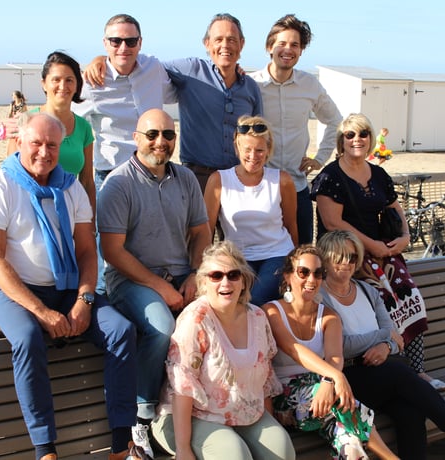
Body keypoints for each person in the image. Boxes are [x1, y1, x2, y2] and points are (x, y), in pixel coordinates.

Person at [0, 112, 142, 460]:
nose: (44, 152)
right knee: (27, 338)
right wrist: (41, 311)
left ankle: (121, 438)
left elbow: (86, 252)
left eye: (52, 145)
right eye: (36, 143)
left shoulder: (70, 186)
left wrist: (84, 300)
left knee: (122, 330)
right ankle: (44, 447)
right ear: (19, 141)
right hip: (15, 292)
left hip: (67, 289)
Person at [316, 230, 445, 459]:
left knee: (411, 410)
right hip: (348, 378)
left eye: (351, 256)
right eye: (339, 257)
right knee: (400, 372)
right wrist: (382, 336)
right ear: (326, 259)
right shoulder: (321, 297)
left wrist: (386, 347)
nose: (346, 263)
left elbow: (397, 340)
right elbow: (342, 346)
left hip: (383, 373)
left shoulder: (367, 291)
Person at [97, 108, 212, 457]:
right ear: (136, 138)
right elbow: (112, 252)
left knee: (221, 313)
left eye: (168, 134)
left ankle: (206, 405)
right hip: (130, 278)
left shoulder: (187, 179)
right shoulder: (118, 183)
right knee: (162, 327)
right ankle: (141, 417)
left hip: (180, 273)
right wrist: (159, 287)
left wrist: (195, 273)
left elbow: (201, 232)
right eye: (152, 134)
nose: (161, 141)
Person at [310, 113, 445, 391]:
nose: (356, 140)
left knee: (411, 299)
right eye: (350, 135)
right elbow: (333, 222)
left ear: (371, 139)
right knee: (383, 301)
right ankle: (390, 366)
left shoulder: (379, 174)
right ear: (341, 140)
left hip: (384, 251)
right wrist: (371, 248)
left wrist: (405, 238)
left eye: (362, 134)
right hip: (347, 255)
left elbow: (395, 208)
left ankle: (416, 370)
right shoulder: (330, 178)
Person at [84, 13, 264, 191]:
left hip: (238, 179)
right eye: (218, 39)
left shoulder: (250, 87)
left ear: (242, 44)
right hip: (194, 178)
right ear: (207, 44)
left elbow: (260, 136)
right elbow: (128, 61)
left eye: (232, 40)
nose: (225, 45)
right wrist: (101, 59)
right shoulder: (190, 70)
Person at [150, 241, 296, 460]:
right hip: (190, 416)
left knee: (282, 450)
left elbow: (264, 380)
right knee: (235, 455)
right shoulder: (196, 319)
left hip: (242, 411)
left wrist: (268, 429)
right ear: (203, 282)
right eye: (216, 276)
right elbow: (183, 388)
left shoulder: (257, 317)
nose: (225, 282)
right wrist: (183, 450)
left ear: (244, 281)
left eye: (233, 275)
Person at [263, 245, 399, 460]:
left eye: (318, 273)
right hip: (285, 397)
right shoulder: (271, 311)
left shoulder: (329, 316)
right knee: (344, 401)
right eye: (303, 272)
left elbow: (335, 357)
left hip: (323, 400)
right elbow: (293, 349)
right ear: (288, 276)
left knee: (349, 441)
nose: (311, 279)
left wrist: (328, 381)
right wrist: (336, 377)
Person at [74, 13, 176, 294]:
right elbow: (64, 116)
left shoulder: (154, 68)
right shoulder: (93, 81)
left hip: (154, 171)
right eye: (115, 41)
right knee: (108, 249)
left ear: (140, 42)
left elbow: (184, 85)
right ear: (105, 43)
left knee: (147, 244)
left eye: (130, 40)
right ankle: (106, 305)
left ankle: (143, 299)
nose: (123, 47)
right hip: (111, 174)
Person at [250, 14, 342, 244]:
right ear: (269, 47)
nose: (288, 49)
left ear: (301, 51)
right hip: (259, 187)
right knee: (258, 255)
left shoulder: (310, 84)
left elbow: (335, 120)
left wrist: (320, 159)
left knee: (301, 255)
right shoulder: (251, 85)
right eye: (281, 43)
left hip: (298, 186)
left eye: (295, 45)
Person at [204, 115, 297, 306]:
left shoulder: (282, 180)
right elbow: (207, 229)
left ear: (268, 150)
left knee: (254, 300)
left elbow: (290, 224)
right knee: (230, 300)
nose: (253, 156)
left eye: (260, 150)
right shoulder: (219, 180)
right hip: (237, 257)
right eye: (247, 149)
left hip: (276, 254)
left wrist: (294, 263)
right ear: (237, 147)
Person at [29, 51, 96, 214]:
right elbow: (12, 176)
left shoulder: (83, 127)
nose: (63, 86)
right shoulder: (27, 123)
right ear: (44, 83)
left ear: (77, 85)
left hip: (72, 212)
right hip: (33, 211)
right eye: (56, 80)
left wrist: (91, 223)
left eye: (69, 80)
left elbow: (87, 181)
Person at [5, 90, 28, 156]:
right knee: (11, 138)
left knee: (20, 137)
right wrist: (8, 119)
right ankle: (9, 153)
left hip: (21, 122)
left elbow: (25, 113)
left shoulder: (23, 104)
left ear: (17, 96)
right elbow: (10, 112)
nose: (13, 97)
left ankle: (20, 152)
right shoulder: (12, 103)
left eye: (14, 95)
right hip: (13, 121)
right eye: (12, 95)